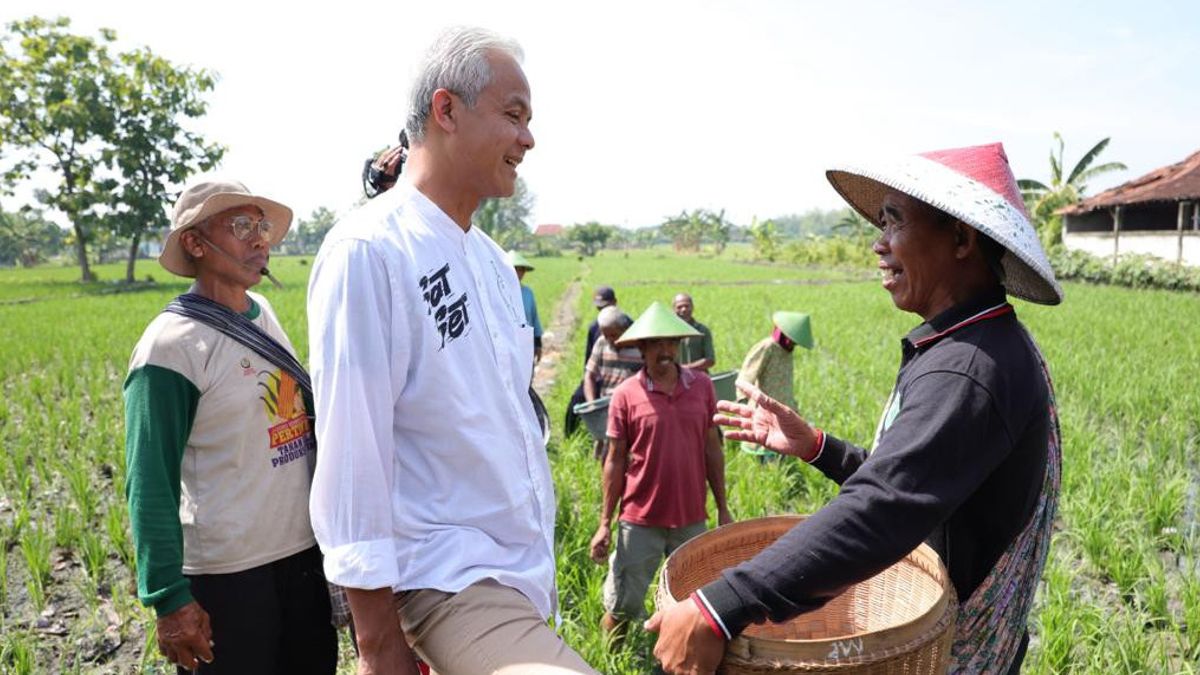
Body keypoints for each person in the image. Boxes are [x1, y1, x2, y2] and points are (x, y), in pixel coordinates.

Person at [647, 142, 1063, 675]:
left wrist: (722, 605)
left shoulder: (968, 368)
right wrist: (818, 447)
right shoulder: (975, 343)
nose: (878, 243)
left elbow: (886, 506)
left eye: (894, 221)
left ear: (961, 238)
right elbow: (920, 482)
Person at [307, 27, 596, 675]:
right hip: (448, 578)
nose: (529, 138)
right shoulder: (372, 250)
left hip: (513, 578)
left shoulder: (491, 262)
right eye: (514, 115)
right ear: (446, 111)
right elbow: (353, 451)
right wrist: (379, 643)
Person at [124, 179, 337, 673]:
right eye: (242, 226)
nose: (260, 239)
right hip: (226, 578)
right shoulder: (169, 348)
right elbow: (148, 480)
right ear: (195, 243)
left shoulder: (264, 315)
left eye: (262, 227)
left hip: (301, 559)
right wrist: (169, 600)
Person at [590, 301, 733, 639]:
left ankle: (675, 659)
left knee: (693, 605)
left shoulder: (701, 387)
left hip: (690, 518)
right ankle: (609, 661)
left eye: (671, 342)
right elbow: (614, 460)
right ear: (641, 348)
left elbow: (712, 448)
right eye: (655, 343)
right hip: (640, 520)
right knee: (622, 605)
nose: (665, 350)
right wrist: (604, 523)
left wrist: (723, 508)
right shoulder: (626, 395)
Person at [736, 311, 813, 459]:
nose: (793, 343)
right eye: (791, 339)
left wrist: (794, 408)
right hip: (764, 408)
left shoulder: (788, 352)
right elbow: (746, 376)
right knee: (764, 448)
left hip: (783, 408)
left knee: (782, 448)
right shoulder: (767, 347)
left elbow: (786, 384)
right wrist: (743, 401)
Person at [582, 306, 642, 459]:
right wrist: (592, 404)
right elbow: (589, 375)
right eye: (606, 334)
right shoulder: (602, 342)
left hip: (633, 410)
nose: (610, 339)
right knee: (606, 456)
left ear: (626, 329)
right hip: (605, 410)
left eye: (614, 335)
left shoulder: (641, 346)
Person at [565, 285, 619, 435]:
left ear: (615, 303)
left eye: (606, 306)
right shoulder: (594, 327)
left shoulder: (627, 324)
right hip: (598, 376)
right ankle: (570, 438)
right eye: (599, 308)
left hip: (620, 376)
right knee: (576, 401)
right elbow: (588, 361)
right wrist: (588, 382)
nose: (602, 311)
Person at [509, 250, 544, 363]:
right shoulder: (495, 293)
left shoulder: (527, 293)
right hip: (507, 344)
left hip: (526, 343)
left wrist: (538, 343)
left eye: (521, 269)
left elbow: (534, 319)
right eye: (516, 269)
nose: (519, 273)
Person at [673, 293, 715, 373]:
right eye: (679, 307)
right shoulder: (667, 332)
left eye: (687, 306)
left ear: (692, 307)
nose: (683, 309)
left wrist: (686, 368)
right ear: (674, 309)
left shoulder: (702, 331)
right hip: (674, 379)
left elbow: (710, 360)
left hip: (698, 378)